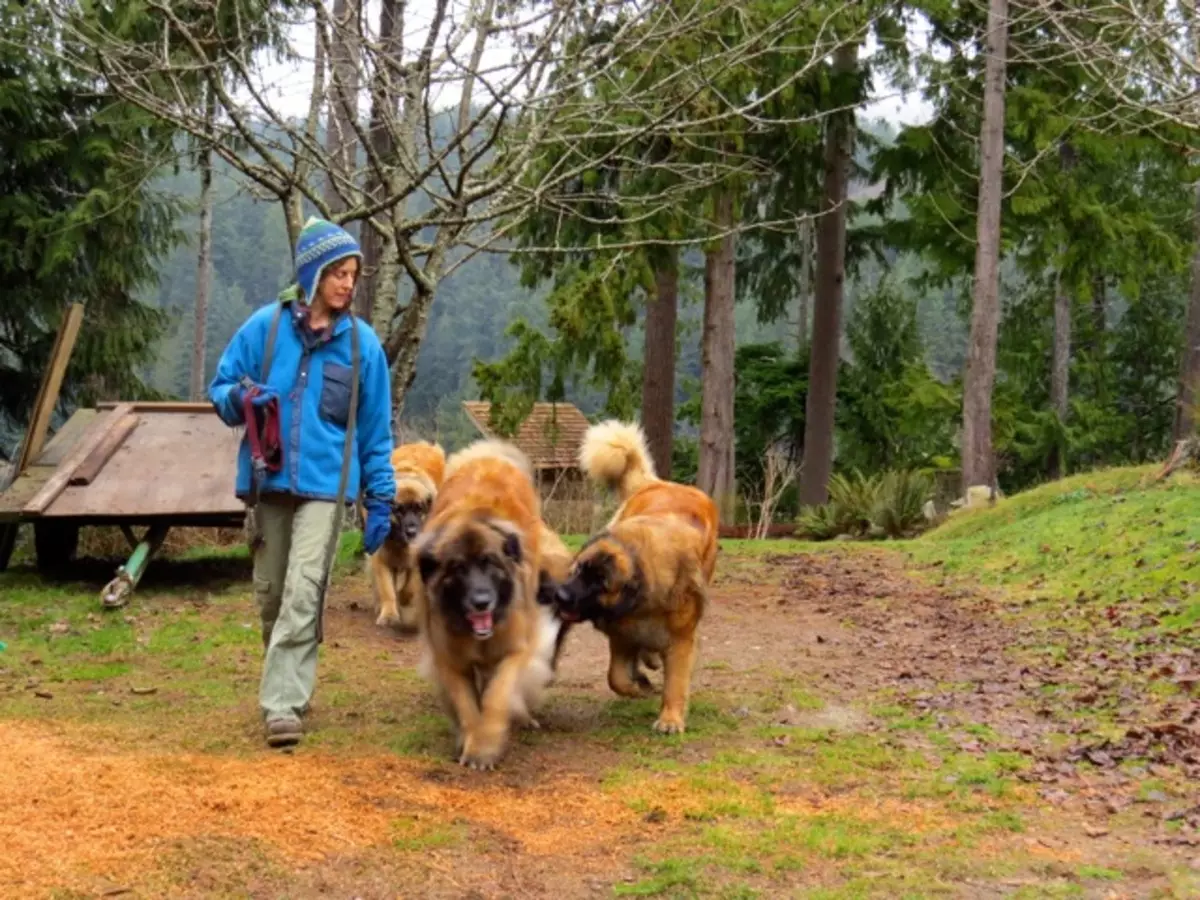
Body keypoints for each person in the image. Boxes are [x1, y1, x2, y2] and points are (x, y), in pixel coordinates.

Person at [208, 216, 396, 748]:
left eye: (353, 275)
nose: (347, 284)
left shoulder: (363, 346)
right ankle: (287, 678)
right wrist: (242, 400)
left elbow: (377, 430)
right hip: (268, 483)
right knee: (271, 596)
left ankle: (282, 704)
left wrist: (380, 494)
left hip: (326, 490)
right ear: (313, 273)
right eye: (338, 272)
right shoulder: (263, 329)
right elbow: (219, 389)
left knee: (303, 590)